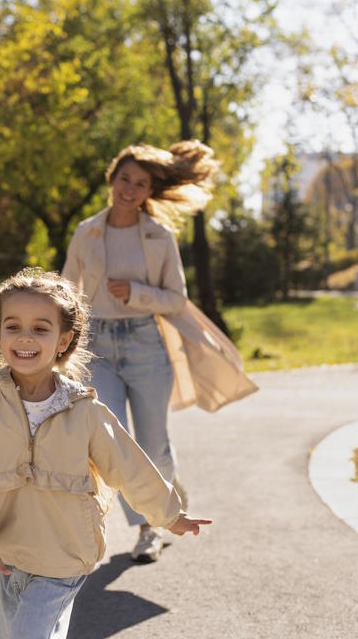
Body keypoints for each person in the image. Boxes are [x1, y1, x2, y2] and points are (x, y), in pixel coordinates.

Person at [0, 268, 211, 639]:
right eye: (13, 326)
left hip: (65, 554)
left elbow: (128, 464)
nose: (25, 338)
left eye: (40, 329)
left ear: (63, 339)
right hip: (5, 554)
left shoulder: (84, 410)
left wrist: (168, 515)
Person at [62, 140, 256, 564]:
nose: (130, 189)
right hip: (98, 347)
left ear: (150, 191)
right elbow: (66, 291)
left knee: (152, 442)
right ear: (111, 178)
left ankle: (154, 526)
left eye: (140, 183)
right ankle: (152, 518)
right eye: (124, 179)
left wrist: (136, 293)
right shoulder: (86, 232)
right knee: (115, 441)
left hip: (146, 345)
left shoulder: (158, 236)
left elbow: (175, 299)